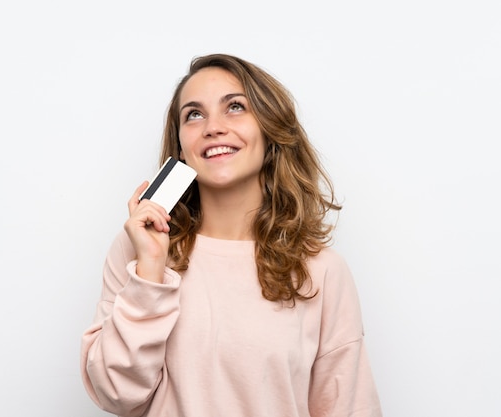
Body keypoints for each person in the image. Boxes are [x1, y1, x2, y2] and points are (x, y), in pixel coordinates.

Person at [81, 53, 382, 417]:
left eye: (235, 107)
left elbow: (348, 407)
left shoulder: (322, 270)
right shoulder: (138, 249)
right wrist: (150, 273)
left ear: (270, 130)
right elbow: (116, 393)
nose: (213, 127)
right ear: (179, 149)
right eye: (194, 114)